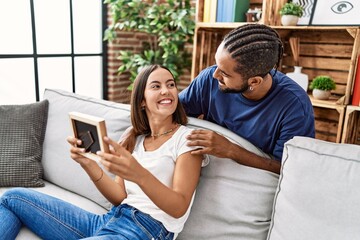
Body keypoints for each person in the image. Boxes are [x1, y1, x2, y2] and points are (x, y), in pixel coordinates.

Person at [0, 64, 208, 240]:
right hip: (110, 219)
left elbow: (179, 206)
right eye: (156, 86)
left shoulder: (188, 140)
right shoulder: (136, 140)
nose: (166, 91)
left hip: (144, 230)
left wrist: (137, 173)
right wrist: (88, 164)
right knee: (12, 197)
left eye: (170, 85)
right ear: (142, 100)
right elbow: (119, 197)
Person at [179, 23, 315, 174]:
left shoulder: (295, 107)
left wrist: (231, 150)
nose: (215, 75)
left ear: (254, 82)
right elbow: (173, 114)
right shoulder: (208, 81)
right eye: (216, 65)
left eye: (225, 73)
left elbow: (288, 169)